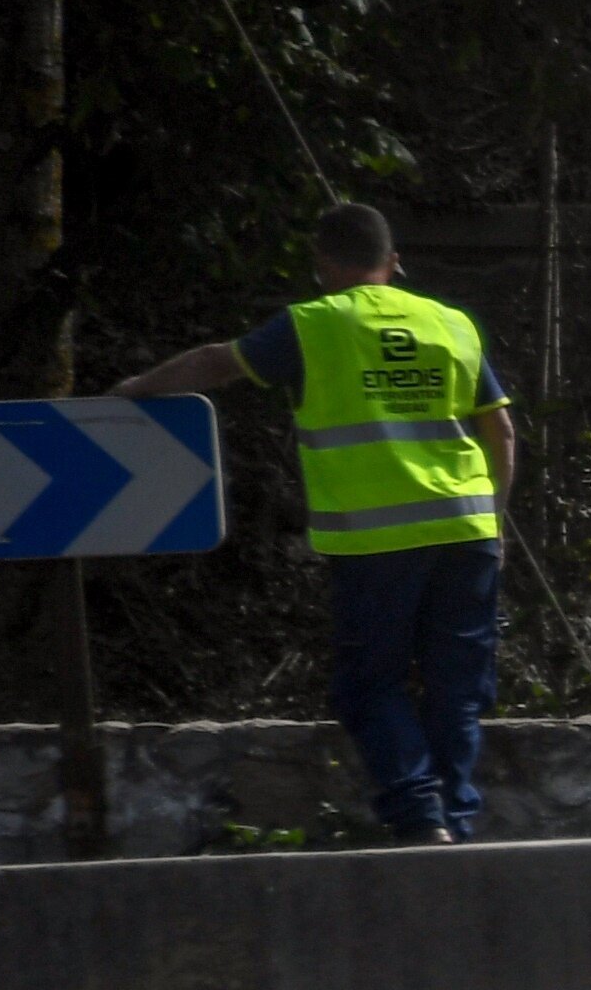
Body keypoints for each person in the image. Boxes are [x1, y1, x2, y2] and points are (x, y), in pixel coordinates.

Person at [117, 201, 514, 843]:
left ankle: (419, 817)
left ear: (323, 265)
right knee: (456, 689)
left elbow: (219, 362)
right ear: (395, 262)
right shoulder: (452, 322)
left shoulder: (314, 324)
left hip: (376, 539)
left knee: (370, 685)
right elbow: (501, 428)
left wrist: (136, 388)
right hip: (468, 531)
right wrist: (493, 523)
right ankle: (456, 822)